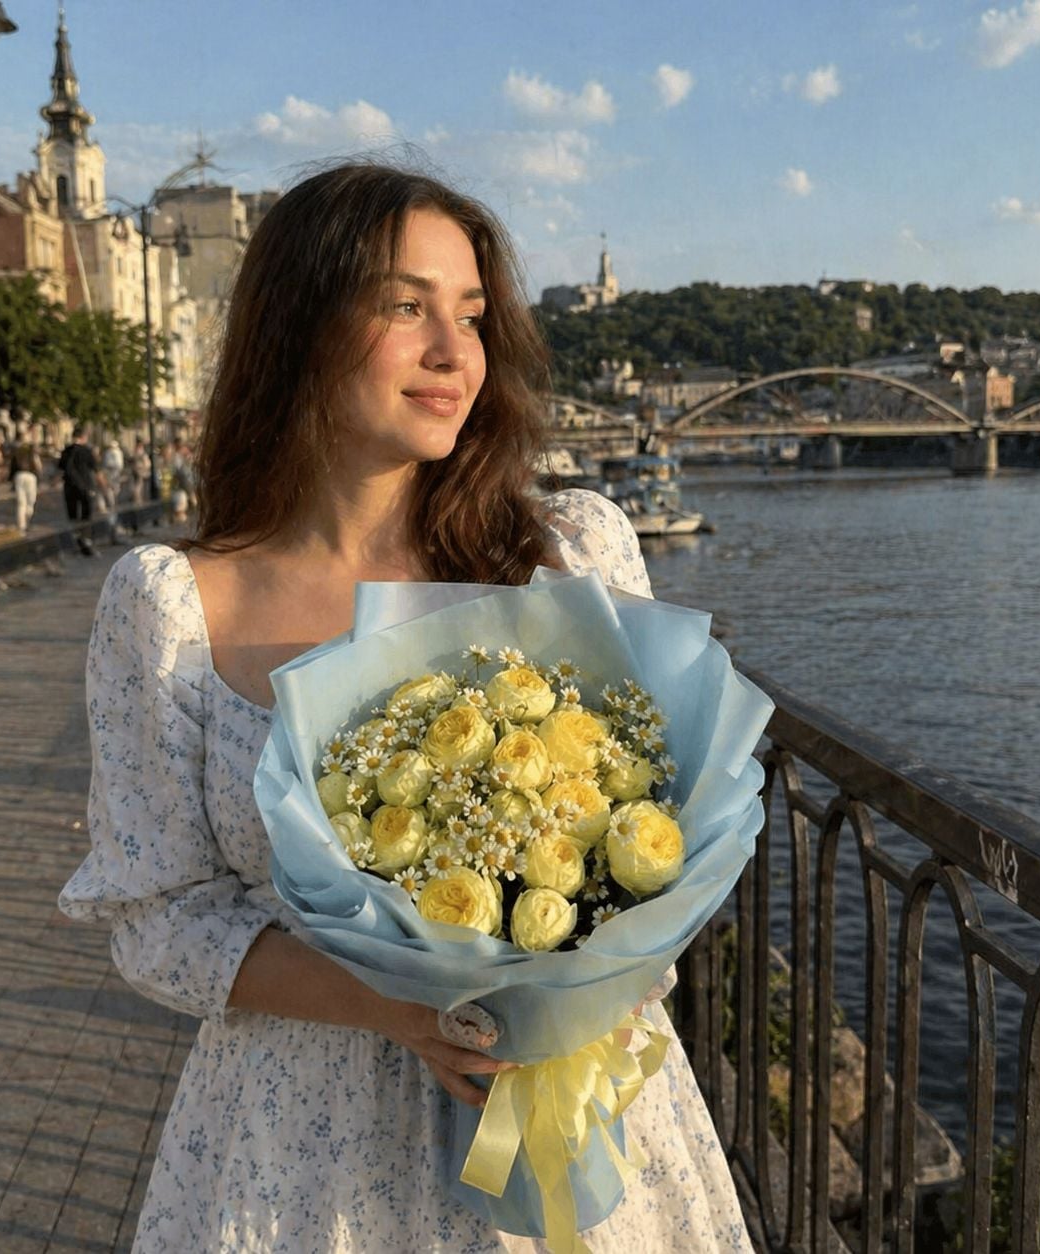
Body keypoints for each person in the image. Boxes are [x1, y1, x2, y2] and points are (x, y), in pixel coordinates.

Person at [59, 162, 750, 1253]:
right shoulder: (170, 606)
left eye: (471, 315)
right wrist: (412, 1010)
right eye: (404, 307)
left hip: (570, 1116)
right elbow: (158, 921)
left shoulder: (570, 550)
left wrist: (579, 988)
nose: (453, 352)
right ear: (298, 327)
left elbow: (662, 840)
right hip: (301, 1149)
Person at [57, 426, 103, 556]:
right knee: (86, 516)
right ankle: (86, 542)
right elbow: (96, 470)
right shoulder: (87, 451)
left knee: (72, 516)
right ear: (83, 437)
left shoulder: (66, 451)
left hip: (69, 488)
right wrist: (104, 485)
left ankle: (75, 542)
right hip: (86, 487)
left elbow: (61, 469)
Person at [7, 436, 42, 534]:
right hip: (30, 476)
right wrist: (39, 479)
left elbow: (12, 468)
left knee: (21, 502)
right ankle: (27, 521)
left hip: (19, 476)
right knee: (31, 501)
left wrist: (11, 480)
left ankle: (21, 526)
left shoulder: (16, 453)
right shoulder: (32, 453)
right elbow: (38, 467)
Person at [101, 437, 125, 530]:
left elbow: (119, 465)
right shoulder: (109, 453)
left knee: (115, 490)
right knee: (110, 491)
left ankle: (113, 504)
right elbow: (108, 464)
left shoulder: (117, 453)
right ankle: (112, 504)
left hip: (115, 475)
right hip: (110, 475)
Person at [130, 439, 152, 505]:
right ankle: (138, 500)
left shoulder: (142, 454)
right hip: (137, 472)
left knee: (140, 487)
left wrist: (143, 468)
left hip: (141, 472)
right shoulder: (137, 453)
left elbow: (147, 464)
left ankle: (139, 500)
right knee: (137, 487)